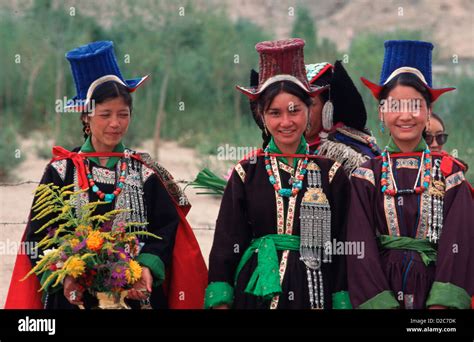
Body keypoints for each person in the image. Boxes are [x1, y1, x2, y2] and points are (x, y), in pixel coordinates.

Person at [5, 41, 207, 309]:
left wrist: (146, 268)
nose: (115, 123)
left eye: (123, 114)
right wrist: (65, 275)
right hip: (72, 298)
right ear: (86, 117)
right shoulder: (60, 172)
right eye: (105, 114)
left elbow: (165, 229)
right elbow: (39, 235)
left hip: (134, 297)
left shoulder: (145, 171)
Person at [205, 39, 352, 310]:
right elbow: (227, 243)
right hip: (254, 292)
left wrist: (341, 299)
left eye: (294, 110)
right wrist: (221, 300)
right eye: (275, 112)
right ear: (262, 116)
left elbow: (342, 246)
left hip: (315, 292)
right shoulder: (246, 173)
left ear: (310, 110)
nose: (286, 122)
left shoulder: (332, 174)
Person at [347, 40, 473, 309]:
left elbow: (459, 242)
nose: (405, 116)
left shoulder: (450, 175)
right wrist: (380, 303)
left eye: (415, 106)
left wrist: (441, 303)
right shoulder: (366, 176)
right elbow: (359, 245)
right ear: (381, 112)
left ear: (428, 113)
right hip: (382, 290)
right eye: (394, 106)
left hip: (434, 295)